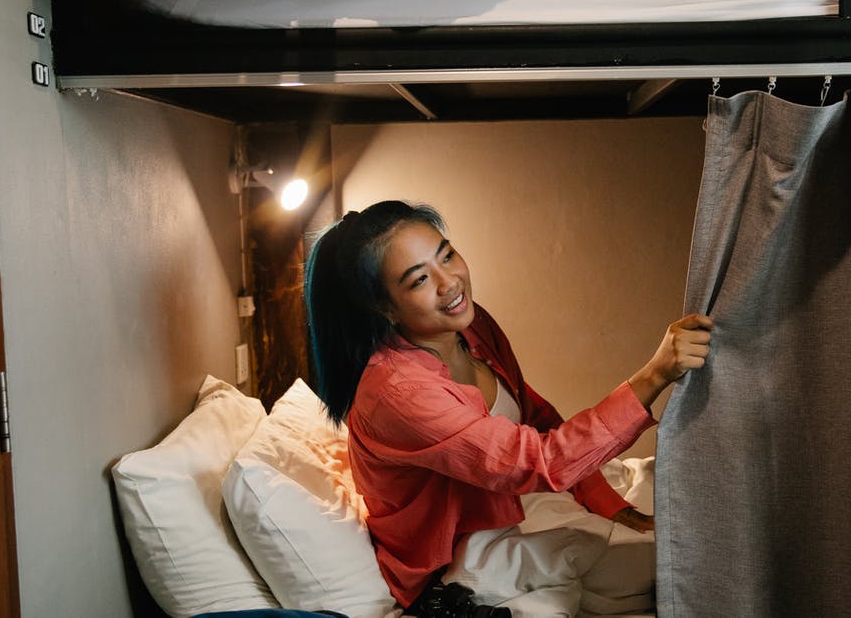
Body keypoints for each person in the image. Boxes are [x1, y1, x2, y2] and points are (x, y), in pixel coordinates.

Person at [305, 200, 712, 617]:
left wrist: (611, 505)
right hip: (453, 565)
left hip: (510, 514)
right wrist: (656, 373)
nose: (450, 284)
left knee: (681, 563)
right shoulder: (398, 393)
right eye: (419, 279)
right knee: (677, 572)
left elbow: (536, 419)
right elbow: (536, 459)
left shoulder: (471, 324)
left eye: (446, 255)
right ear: (384, 307)